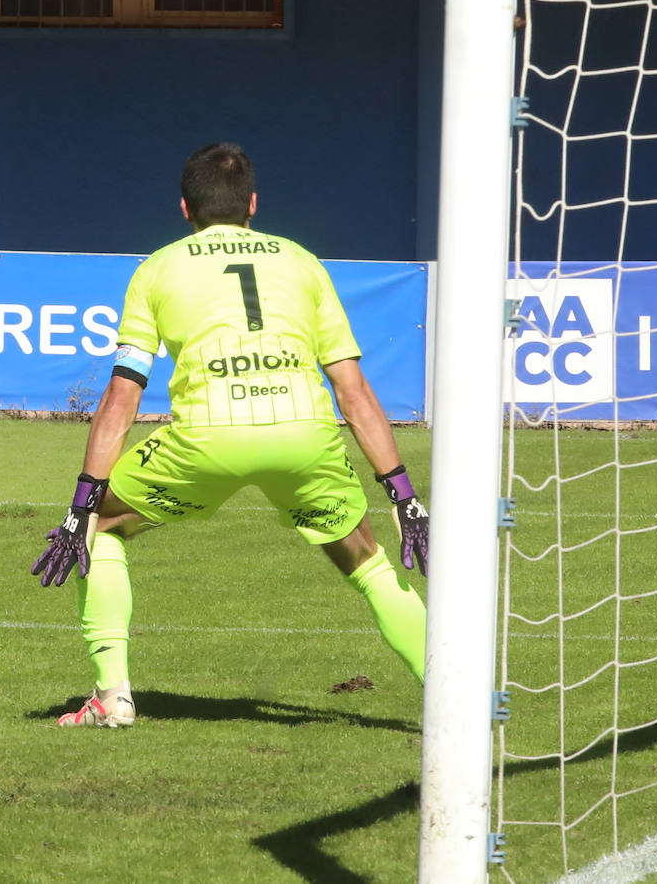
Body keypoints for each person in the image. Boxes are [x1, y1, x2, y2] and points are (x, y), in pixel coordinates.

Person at [32, 142, 430, 728]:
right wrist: (402, 492)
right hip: (304, 434)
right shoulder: (301, 261)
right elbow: (353, 390)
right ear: (252, 203)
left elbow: (123, 395)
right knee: (368, 562)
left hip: (208, 439)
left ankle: (112, 697)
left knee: (105, 527)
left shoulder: (157, 269)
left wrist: (82, 506)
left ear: (185, 209)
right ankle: (456, 700)